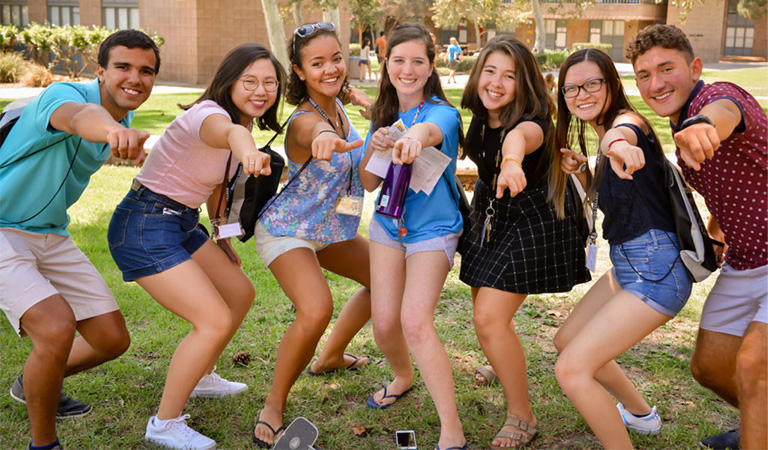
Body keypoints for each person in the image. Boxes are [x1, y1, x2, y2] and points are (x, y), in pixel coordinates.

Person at [108, 43, 282, 449]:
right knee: (214, 320)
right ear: (229, 82)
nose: (261, 91)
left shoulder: (243, 122)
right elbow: (232, 136)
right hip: (144, 223)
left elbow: (216, 186)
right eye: (250, 81)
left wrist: (222, 236)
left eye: (270, 83)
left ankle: (202, 375)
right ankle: (164, 424)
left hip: (181, 221)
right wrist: (248, 151)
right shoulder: (210, 116)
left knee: (240, 292)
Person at [0, 29, 159, 450]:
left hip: (49, 234)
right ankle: (44, 444)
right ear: (101, 70)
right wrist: (109, 131)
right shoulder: (65, 94)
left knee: (111, 340)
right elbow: (75, 118)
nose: (135, 79)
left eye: (147, 71)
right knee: (56, 329)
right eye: (123, 67)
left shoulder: (125, 120)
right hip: (0, 230)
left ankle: (35, 378)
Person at [627, 24, 767, 450]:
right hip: (745, 261)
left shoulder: (715, 98)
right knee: (709, 367)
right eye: (644, 75)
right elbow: (732, 185)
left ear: (695, 67)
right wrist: (717, 233)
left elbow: (725, 112)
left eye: (666, 68)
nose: (656, 82)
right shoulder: (677, 125)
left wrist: (705, 124)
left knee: (754, 363)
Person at [552, 48, 693, 448]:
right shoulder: (602, 134)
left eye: (592, 84)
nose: (581, 95)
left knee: (571, 369)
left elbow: (624, 136)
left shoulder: (626, 124)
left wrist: (618, 145)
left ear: (612, 84)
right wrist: (586, 170)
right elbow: (625, 192)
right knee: (566, 341)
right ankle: (639, 414)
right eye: (571, 88)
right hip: (630, 267)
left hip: (657, 272)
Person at [459, 36, 591, 449]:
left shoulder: (531, 122)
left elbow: (520, 141)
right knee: (484, 299)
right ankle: (502, 359)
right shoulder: (483, 116)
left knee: (489, 317)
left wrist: (512, 162)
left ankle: (522, 416)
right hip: (493, 210)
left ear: (526, 83)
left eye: (509, 76)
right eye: (490, 71)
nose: (496, 82)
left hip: (535, 219)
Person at [251, 22, 371, 448]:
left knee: (388, 278)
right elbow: (310, 135)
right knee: (316, 308)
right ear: (299, 72)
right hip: (288, 231)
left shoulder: (340, 106)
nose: (330, 68)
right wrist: (322, 139)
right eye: (317, 63)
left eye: (336, 58)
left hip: (331, 229)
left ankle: (331, 356)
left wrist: (365, 107)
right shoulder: (306, 119)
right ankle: (273, 406)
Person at [359, 22, 467, 450]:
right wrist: (379, 143)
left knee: (414, 322)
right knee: (384, 326)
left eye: (416, 61)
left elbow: (429, 132)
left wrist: (412, 140)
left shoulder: (443, 111)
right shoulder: (382, 117)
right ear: (386, 65)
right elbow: (368, 182)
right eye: (398, 60)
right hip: (388, 226)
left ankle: (452, 431)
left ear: (430, 65)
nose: (407, 69)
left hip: (433, 230)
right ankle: (403, 377)